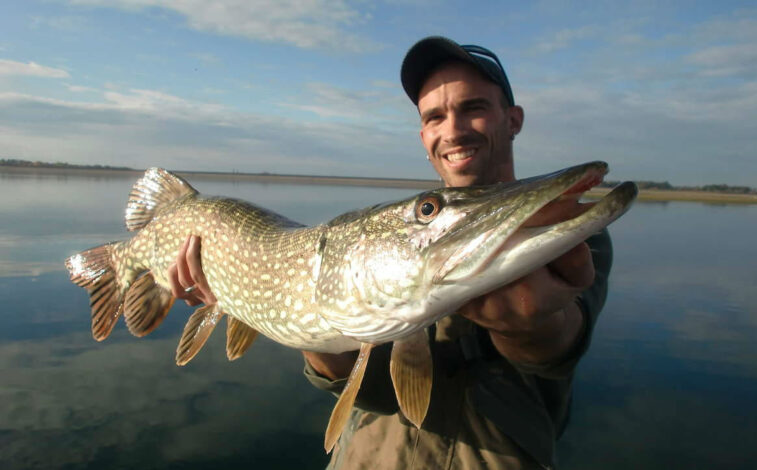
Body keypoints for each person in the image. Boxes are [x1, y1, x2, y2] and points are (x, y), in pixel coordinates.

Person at [168, 36, 612, 470]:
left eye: (473, 108)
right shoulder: (386, 238)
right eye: (435, 117)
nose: (453, 130)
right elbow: (375, 393)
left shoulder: (567, 229)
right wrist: (310, 333)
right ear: (424, 136)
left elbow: (559, 351)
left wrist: (531, 328)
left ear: (512, 119)